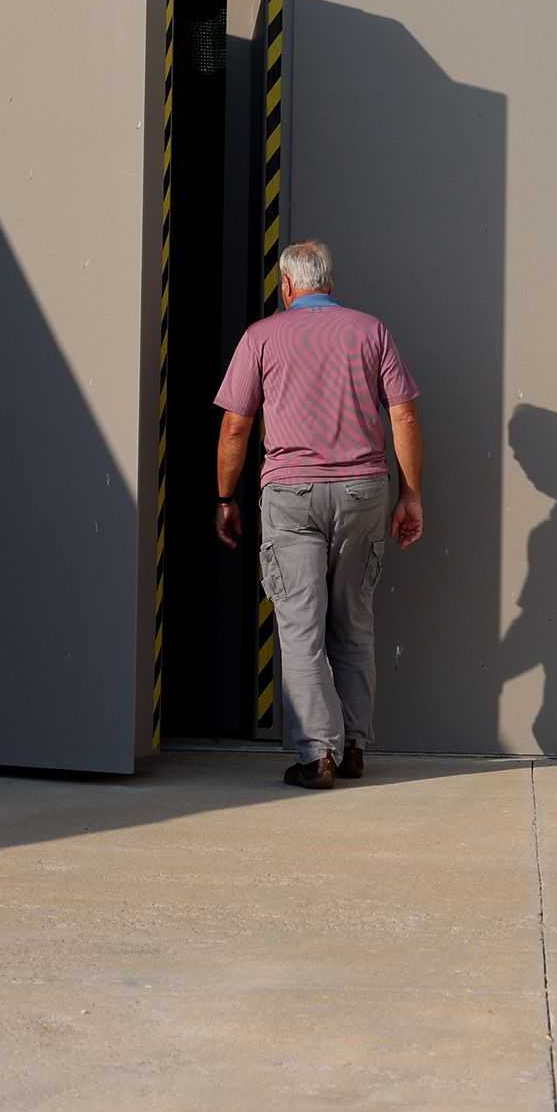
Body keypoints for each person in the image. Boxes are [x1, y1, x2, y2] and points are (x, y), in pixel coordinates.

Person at [212, 239, 424, 788]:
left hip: (292, 494)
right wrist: (411, 494)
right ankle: (354, 747)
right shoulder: (370, 330)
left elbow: (235, 426)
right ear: (330, 282)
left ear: (286, 285)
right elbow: (402, 415)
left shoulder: (262, 336)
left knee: (300, 625)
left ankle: (317, 756)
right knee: (353, 621)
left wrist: (225, 497)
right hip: (362, 492)